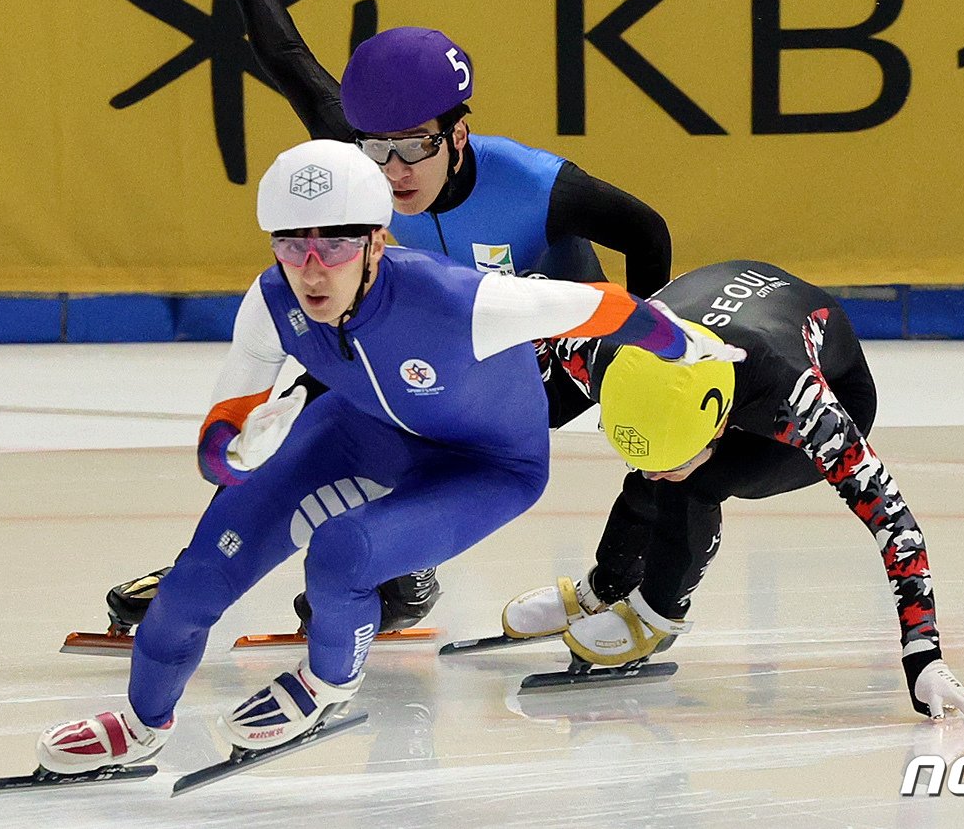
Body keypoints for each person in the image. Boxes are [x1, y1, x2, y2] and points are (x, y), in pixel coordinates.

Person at [36, 140, 742, 773]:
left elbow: (602, 305)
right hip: (363, 428)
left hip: (485, 465)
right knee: (195, 578)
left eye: (336, 245)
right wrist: (238, 452)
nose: (312, 269)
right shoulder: (272, 299)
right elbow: (221, 437)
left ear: (377, 241)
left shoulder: (461, 301)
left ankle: (328, 684)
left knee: (342, 553)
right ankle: (140, 724)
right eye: (293, 244)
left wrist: (687, 344)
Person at [99, 0, 675, 632]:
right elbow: (287, 59)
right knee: (308, 398)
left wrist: (641, 354)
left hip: (558, 346)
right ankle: (208, 566)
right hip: (445, 330)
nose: (394, 172)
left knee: (431, 416)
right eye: (379, 150)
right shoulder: (367, 152)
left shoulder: (538, 187)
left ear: (457, 138)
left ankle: (555, 581)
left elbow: (649, 231)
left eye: (414, 149)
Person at [501, 260, 964, 720]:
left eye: (668, 457)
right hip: (718, 331)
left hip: (827, 379)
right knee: (660, 481)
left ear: (719, 426)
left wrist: (924, 655)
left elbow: (893, 521)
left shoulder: (805, 408)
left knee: (693, 484)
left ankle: (657, 612)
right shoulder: (601, 348)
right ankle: (605, 585)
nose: (652, 471)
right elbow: (537, 297)